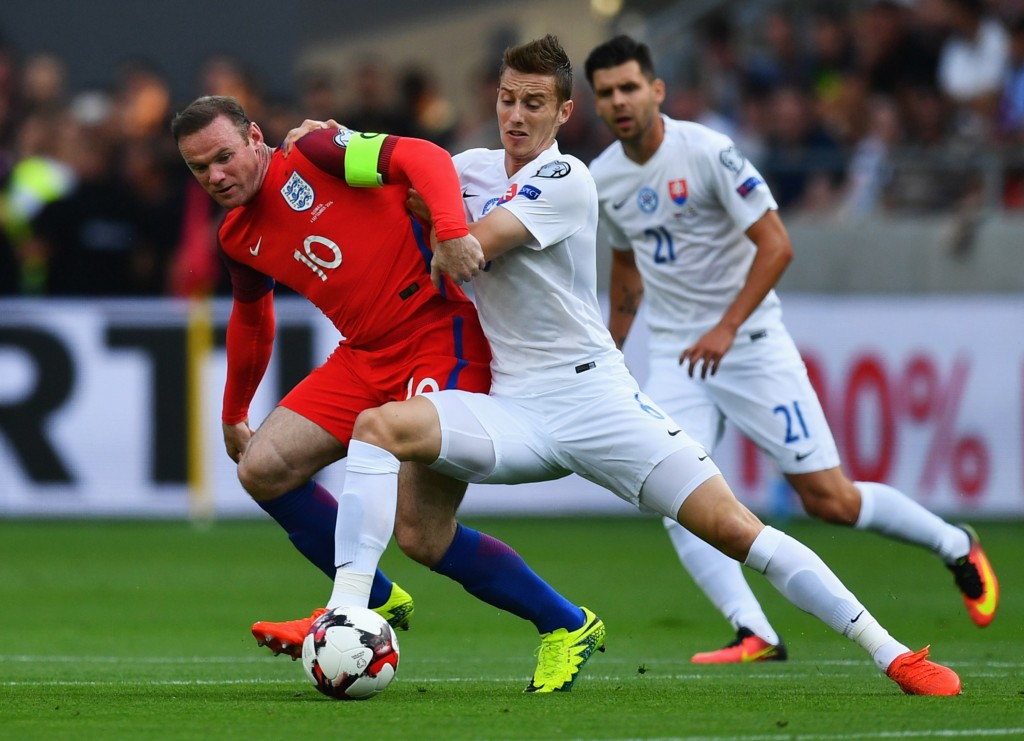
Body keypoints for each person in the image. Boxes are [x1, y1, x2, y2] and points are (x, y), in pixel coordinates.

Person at [286, 34, 961, 697]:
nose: (516, 116)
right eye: (506, 100)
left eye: (533, 103)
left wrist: (440, 223)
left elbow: (475, 247)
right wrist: (328, 137)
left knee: (736, 530)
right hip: (513, 405)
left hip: (597, 401)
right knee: (378, 428)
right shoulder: (467, 169)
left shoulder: (568, 177)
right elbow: (380, 167)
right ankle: (348, 607)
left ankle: (892, 652)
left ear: (563, 113)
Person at [582, 34, 999, 665]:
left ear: (656, 90)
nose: (619, 100)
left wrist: (725, 327)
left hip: (748, 345)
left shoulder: (710, 152)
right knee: (672, 491)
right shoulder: (603, 178)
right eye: (607, 92)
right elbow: (625, 271)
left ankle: (954, 543)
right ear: (595, 101)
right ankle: (755, 631)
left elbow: (777, 245)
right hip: (676, 357)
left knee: (829, 500)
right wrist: (611, 348)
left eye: (629, 87)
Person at [170, 96, 601, 681]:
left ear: (253, 137)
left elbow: (424, 157)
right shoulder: (236, 235)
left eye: (223, 157)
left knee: (422, 535)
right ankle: (368, 597)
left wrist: (450, 233)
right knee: (262, 468)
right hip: (364, 355)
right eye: (199, 168)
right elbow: (253, 317)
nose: (216, 176)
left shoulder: (316, 151)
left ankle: (566, 623)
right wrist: (234, 410)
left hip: (440, 334)